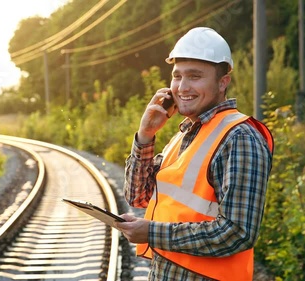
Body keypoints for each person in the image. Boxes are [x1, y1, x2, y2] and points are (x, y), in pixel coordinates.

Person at [114, 27, 274, 281]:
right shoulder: (187, 134)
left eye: (195, 76)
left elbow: (238, 232)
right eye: (177, 77)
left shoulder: (239, 137)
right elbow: (138, 196)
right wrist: (145, 135)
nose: (182, 87)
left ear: (223, 82)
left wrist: (152, 233)